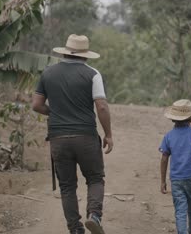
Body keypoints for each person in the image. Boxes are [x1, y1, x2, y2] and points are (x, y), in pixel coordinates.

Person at [32, 34, 113, 234]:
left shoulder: (48, 73)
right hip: (86, 136)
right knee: (95, 178)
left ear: (66, 52)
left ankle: (75, 229)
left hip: (58, 139)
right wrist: (108, 134)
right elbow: (101, 106)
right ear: (85, 55)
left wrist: (55, 112)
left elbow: (36, 105)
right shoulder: (93, 74)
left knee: (67, 186)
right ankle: (94, 215)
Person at [159, 99, 191, 234]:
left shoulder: (168, 137)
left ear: (172, 119)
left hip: (176, 180)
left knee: (180, 211)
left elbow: (164, 159)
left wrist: (163, 180)